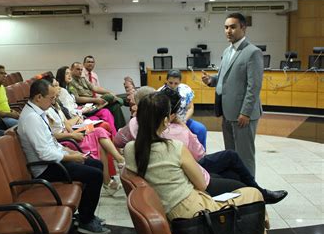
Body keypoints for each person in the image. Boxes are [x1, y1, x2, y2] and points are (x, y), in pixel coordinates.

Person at [124, 92, 272, 234]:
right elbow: (201, 184)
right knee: (255, 194)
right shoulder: (174, 147)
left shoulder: (131, 149)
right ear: (166, 120)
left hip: (169, 210)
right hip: (193, 211)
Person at [116, 87, 288, 204]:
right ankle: (261, 195)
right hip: (190, 191)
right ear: (166, 117)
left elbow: (117, 141)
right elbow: (200, 162)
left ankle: (258, 196)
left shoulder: (132, 137)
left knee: (231, 172)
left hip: (172, 185)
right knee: (243, 182)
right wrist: (183, 126)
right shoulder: (174, 142)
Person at [18, 79, 110, 234]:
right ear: (39, 97)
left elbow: (50, 143)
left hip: (53, 161)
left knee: (96, 165)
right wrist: (71, 157)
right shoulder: (31, 118)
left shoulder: (37, 113)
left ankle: (85, 214)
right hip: (45, 168)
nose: (53, 102)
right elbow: (44, 154)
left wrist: (67, 151)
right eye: (51, 98)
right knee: (95, 175)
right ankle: (86, 221)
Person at [202, 12, 264, 176]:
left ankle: (251, 191)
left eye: (233, 27)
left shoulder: (252, 52)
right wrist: (212, 81)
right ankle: (236, 185)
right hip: (227, 112)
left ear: (243, 28)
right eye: (226, 27)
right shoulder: (227, 51)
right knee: (231, 154)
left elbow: (254, 86)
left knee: (245, 156)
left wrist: (246, 112)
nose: (228, 31)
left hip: (243, 115)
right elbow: (225, 77)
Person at [46, 78, 125, 195]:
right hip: (66, 139)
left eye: (58, 85)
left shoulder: (55, 105)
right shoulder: (46, 111)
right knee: (100, 131)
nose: (59, 88)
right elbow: (52, 134)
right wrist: (73, 133)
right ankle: (115, 168)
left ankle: (118, 162)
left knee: (98, 129)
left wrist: (77, 119)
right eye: (55, 86)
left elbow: (66, 123)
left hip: (73, 131)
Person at [56, 66, 117, 135]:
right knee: (103, 122)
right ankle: (115, 139)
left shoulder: (69, 88)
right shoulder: (62, 91)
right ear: (61, 76)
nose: (69, 75)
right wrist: (83, 110)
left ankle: (114, 139)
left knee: (105, 112)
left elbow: (73, 106)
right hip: (75, 122)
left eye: (70, 73)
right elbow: (70, 112)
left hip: (80, 115)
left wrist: (83, 108)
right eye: (67, 73)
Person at [158, 69, 207, 150]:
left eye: (176, 83)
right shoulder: (159, 93)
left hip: (184, 119)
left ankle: (201, 154)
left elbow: (191, 108)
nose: (173, 85)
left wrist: (183, 120)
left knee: (201, 129)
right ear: (166, 80)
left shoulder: (185, 89)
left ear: (180, 82)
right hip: (166, 122)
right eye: (170, 83)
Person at [69, 62, 126, 129]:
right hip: (87, 106)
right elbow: (77, 99)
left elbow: (94, 88)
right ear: (71, 69)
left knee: (115, 106)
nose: (80, 71)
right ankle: (120, 100)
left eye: (81, 70)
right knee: (109, 97)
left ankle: (121, 130)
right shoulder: (70, 82)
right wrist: (96, 100)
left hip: (95, 102)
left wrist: (110, 92)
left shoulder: (82, 78)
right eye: (78, 69)